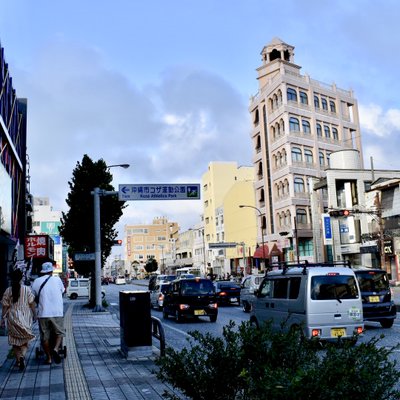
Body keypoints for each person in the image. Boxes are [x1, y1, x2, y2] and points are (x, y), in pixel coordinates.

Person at [1, 268, 36, 371]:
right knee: (25, 339)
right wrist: (35, 314)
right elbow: (32, 304)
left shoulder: (8, 290)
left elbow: (5, 306)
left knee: (15, 341)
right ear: (22, 278)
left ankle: (18, 358)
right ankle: (22, 356)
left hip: (12, 316)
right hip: (25, 316)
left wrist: (2, 318)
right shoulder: (27, 289)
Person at [31, 261, 65, 365]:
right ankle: (55, 349)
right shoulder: (57, 279)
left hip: (43, 313)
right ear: (51, 271)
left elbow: (32, 297)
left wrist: (34, 314)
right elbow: (63, 291)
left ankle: (49, 358)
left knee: (44, 337)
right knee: (59, 333)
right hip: (57, 312)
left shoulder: (36, 281)